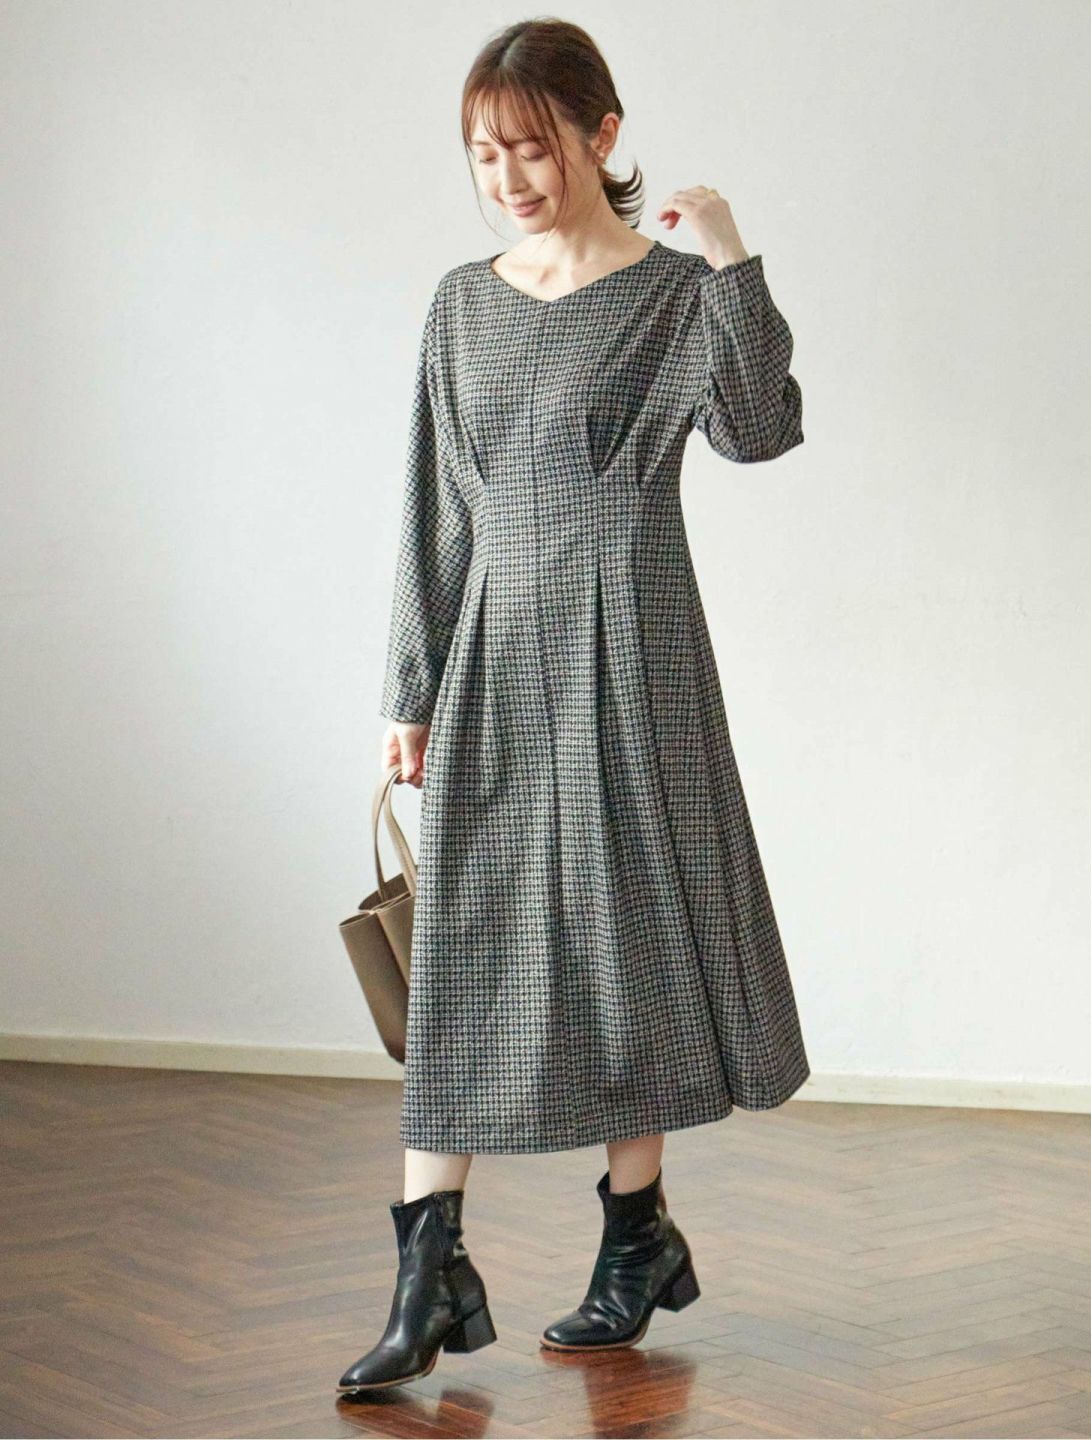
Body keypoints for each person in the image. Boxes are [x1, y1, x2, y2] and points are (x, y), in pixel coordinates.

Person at [337, 17, 811, 1395]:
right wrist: (410, 688)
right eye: (484, 155)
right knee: (465, 951)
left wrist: (731, 258)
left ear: (602, 137)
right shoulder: (462, 303)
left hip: (636, 639)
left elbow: (760, 427)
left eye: (532, 148)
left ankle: (635, 1236)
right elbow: (436, 503)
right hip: (495, 645)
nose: (508, 178)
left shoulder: (674, 294)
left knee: (626, 934)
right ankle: (429, 1271)